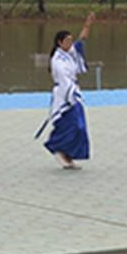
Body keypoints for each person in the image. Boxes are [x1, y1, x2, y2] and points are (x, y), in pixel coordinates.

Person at [37, 13, 96, 169]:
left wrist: (88, 24)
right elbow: (64, 80)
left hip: (72, 91)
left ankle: (68, 153)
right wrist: (72, 97)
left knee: (80, 126)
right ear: (59, 43)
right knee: (72, 124)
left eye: (70, 40)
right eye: (67, 41)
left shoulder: (69, 53)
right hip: (65, 94)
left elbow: (81, 40)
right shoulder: (57, 60)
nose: (70, 43)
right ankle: (57, 147)